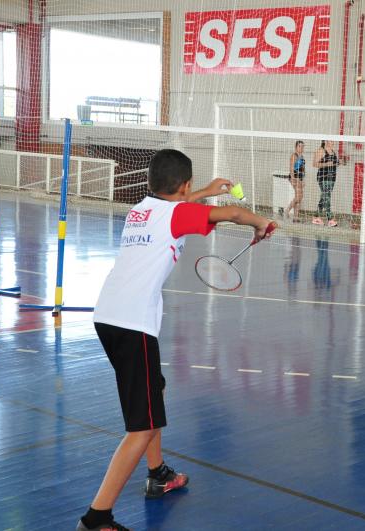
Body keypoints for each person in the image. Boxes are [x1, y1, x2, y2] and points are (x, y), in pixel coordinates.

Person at [78, 149, 276, 531]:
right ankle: (96, 517)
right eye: (190, 189)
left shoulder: (141, 208)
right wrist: (261, 222)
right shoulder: (178, 213)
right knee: (140, 427)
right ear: (182, 185)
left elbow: (176, 206)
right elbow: (233, 213)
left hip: (109, 316)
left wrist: (203, 191)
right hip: (132, 323)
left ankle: (158, 474)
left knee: (156, 393)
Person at [312, 140, 340, 227]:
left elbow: (334, 164)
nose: (333, 142)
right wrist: (327, 164)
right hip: (323, 178)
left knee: (324, 197)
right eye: (331, 140)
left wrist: (340, 162)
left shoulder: (333, 151)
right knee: (327, 197)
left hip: (332, 178)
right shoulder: (321, 150)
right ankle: (330, 219)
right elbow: (315, 164)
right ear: (326, 141)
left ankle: (316, 217)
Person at [285, 140, 305, 223]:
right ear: (296, 147)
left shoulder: (302, 156)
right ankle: (287, 210)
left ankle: (296, 217)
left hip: (300, 178)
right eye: (300, 146)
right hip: (294, 178)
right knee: (298, 197)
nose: (302, 148)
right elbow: (291, 168)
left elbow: (303, 169)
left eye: (303, 146)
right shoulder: (294, 156)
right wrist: (293, 179)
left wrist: (303, 180)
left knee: (300, 198)